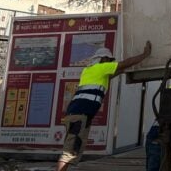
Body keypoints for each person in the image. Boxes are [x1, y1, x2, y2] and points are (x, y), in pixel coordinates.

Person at [57, 41, 152, 171]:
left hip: (76, 114)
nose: (110, 62)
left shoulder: (89, 70)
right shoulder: (101, 68)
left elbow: (114, 73)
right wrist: (144, 55)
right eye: (108, 60)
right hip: (80, 115)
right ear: (103, 59)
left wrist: (124, 70)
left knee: (72, 149)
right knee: (69, 152)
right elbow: (124, 63)